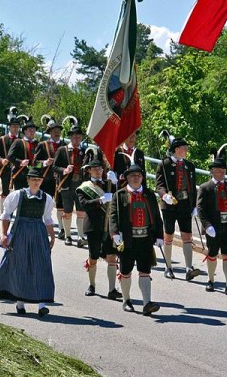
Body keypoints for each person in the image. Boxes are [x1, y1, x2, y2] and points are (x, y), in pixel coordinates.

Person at [0, 167, 55, 317]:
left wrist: (52, 236)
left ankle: (42, 304)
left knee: (42, 265)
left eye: (38, 180)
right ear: (28, 180)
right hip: (20, 231)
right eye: (33, 180)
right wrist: (4, 234)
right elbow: (6, 215)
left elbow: (48, 219)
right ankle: (20, 303)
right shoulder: (18, 195)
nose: (36, 182)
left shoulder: (46, 198)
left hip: (38, 232)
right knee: (19, 265)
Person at [109, 164, 164, 316]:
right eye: (132, 176)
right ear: (127, 178)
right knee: (126, 271)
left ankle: (147, 303)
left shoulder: (149, 195)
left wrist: (160, 236)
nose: (136, 178)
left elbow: (158, 218)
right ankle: (126, 300)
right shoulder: (119, 195)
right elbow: (112, 217)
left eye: (138, 175)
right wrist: (115, 234)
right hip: (127, 240)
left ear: (142, 178)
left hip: (145, 239)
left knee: (145, 271)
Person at [197, 149, 227, 294]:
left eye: (222, 170)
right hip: (213, 226)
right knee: (212, 253)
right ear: (212, 171)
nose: (220, 172)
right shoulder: (206, 188)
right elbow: (200, 208)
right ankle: (211, 280)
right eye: (217, 170)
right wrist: (207, 225)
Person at [155, 137, 199, 281]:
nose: (186, 150)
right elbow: (159, 185)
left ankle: (188, 268)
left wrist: (194, 205)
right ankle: (168, 267)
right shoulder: (164, 164)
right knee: (169, 235)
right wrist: (164, 196)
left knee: (187, 235)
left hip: (185, 203)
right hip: (170, 205)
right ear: (176, 149)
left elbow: (192, 187)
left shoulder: (189, 166)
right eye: (184, 148)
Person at [77, 159, 121, 299]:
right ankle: (92, 285)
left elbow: (121, 196)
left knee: (112, 257)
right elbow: (85, 204)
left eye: (100, 168)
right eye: (94, 168)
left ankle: (112, 289)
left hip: (109, 226)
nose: (97, 171)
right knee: (93, 257)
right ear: (89, 170)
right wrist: (100, 200)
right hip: (93, 226)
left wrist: (115, 183)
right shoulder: (84, 187)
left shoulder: (108, 184)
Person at [53, 124, 87, 247]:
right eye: (74, 136)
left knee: (81, 212)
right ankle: (68, 236)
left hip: (81, 186)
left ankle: (80, 237)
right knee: (67, 212)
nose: (77, 139)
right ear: (70, 137)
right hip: (67, 185)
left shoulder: (84, 151)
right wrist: (64, 170)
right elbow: (54, 167)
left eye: (79, 136)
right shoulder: (62, 150)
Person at [35, 118, 66, 237]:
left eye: (58, 130)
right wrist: (44, 163)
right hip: (46, 180)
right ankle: (42, 225)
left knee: (60, 205)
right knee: (45, 203)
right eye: (54, 131)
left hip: (61, 180)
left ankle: (62, 229)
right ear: (50, 132)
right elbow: (34, 163)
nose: (57, 133)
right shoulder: (43, 145)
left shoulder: (65, 146)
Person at [0, 109, 20, 212]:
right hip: (5, 168)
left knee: (16, 191)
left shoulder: (21, 140)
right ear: (9, 127)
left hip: (17, 170)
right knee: (5, 190)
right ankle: (3, 211)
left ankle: (14, 210)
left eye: (17, 126)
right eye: (13, 126)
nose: (15, 128)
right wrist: (1, 160)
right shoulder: (2, 139)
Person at [8, 117, 40, 191]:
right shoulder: (18, 142)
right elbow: (10, 156)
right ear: (25, 131)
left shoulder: (38, 144)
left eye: (33, 130)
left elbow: (39, 161)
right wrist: (21, 162)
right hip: (21, 175)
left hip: (34, 176)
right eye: (30, 130)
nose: (32, 132)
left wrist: (41, 164)